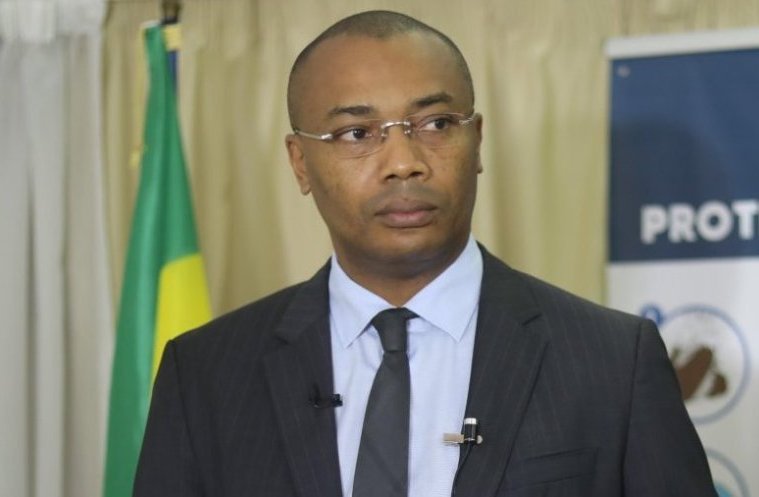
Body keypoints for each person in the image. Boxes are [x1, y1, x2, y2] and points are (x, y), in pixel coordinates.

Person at [134, 10, 716, 497]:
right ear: (299, 162)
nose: (404, 162)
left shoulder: (613, 362)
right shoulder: (206, 374)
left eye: (436, 123)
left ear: (477, 142)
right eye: (357, 133)